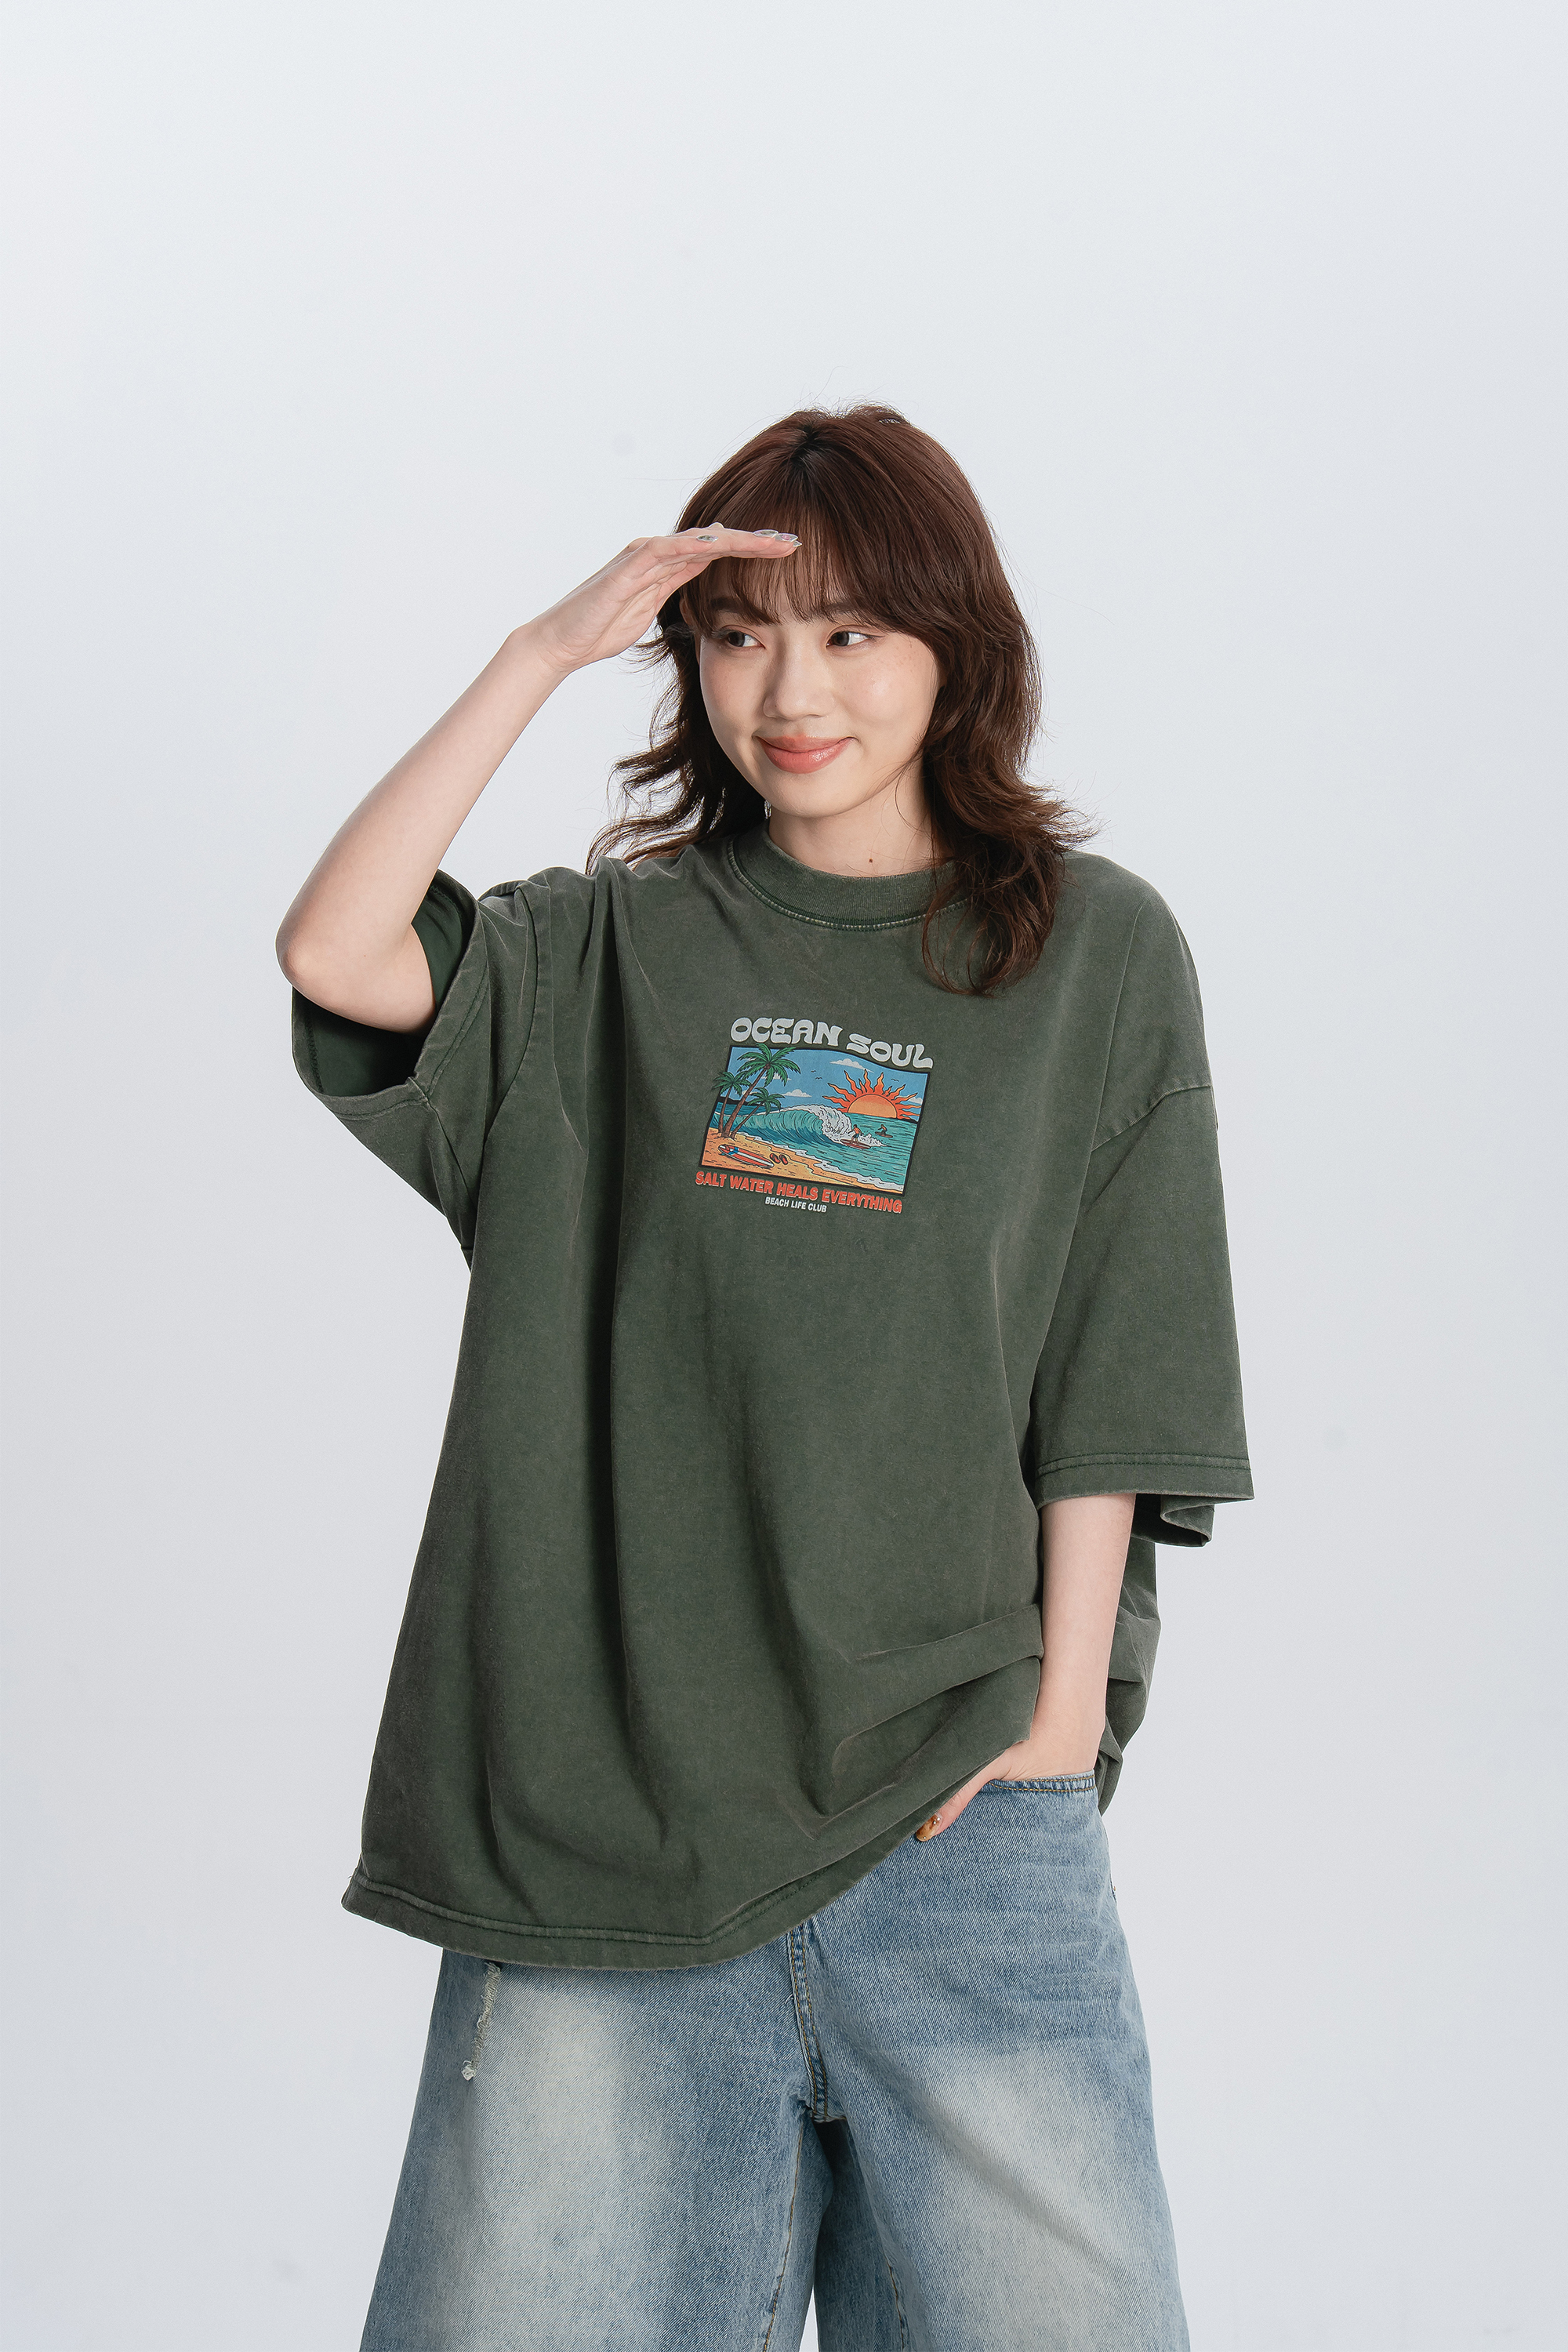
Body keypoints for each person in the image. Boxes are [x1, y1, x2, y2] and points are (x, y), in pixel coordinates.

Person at [278, 405, 1251, 2352]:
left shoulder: (1094, 956)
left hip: (960, 1812)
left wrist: (1063, 1711)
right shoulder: (604, 957)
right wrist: (538, 653)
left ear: (956, 648)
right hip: (609, 1828)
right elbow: (339, 945)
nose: (790, 693)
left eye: (851, 633)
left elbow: (1119, 1354)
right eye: (738, 637)